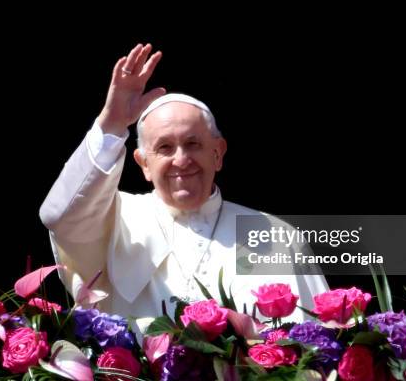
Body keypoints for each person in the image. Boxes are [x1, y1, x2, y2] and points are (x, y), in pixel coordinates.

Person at [39, 43, 328, 321]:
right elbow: (60, 216)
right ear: (143, 164)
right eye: (164, 148)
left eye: (193, 143)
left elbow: (314, 349)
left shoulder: (275, 236)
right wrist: (112, 123)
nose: (181, 159)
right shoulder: (115, 219)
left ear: (218, 153)